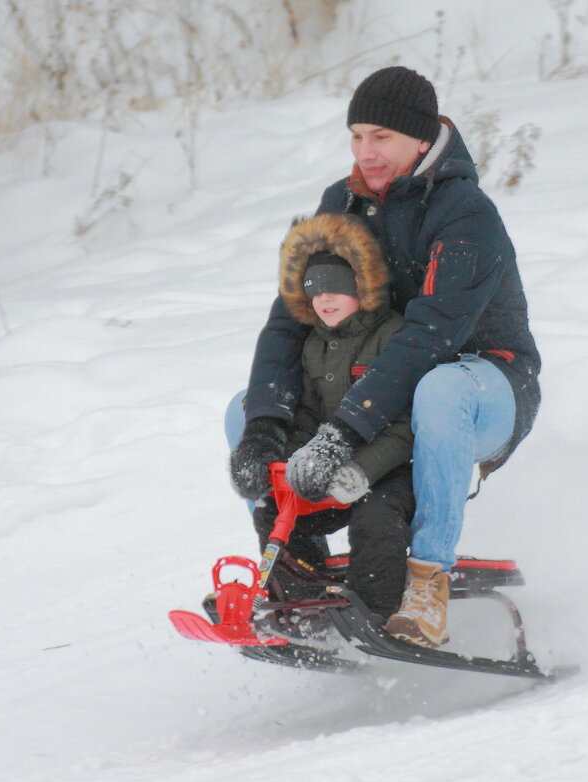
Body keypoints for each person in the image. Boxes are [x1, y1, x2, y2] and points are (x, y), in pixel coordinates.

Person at [230, 65, 540, 649]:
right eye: (356, 136)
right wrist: (264, 427)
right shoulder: (342, 203)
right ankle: (299, 568)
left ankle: (427, 582)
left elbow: (433, 336)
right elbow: (288, 318)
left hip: (484, 384)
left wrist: (344, 431)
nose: (365, 152)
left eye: (382, 138)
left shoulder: (465, 212)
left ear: (423, 139)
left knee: (439, 388)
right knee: (243, 409)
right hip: (377, 385)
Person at [232, 212, 415, 619]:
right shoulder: (314, 346)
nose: (324, 299)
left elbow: (405, 424)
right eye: (314, 290)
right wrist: (287, 465)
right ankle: (301, 607)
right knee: (275, 512)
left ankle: (378, 613)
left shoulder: (394, 336)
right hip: (328, 470)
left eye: (337, 287)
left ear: (364, 285)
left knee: (375, 519)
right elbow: (307, 414)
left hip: (391, 475)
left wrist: (362, 470)